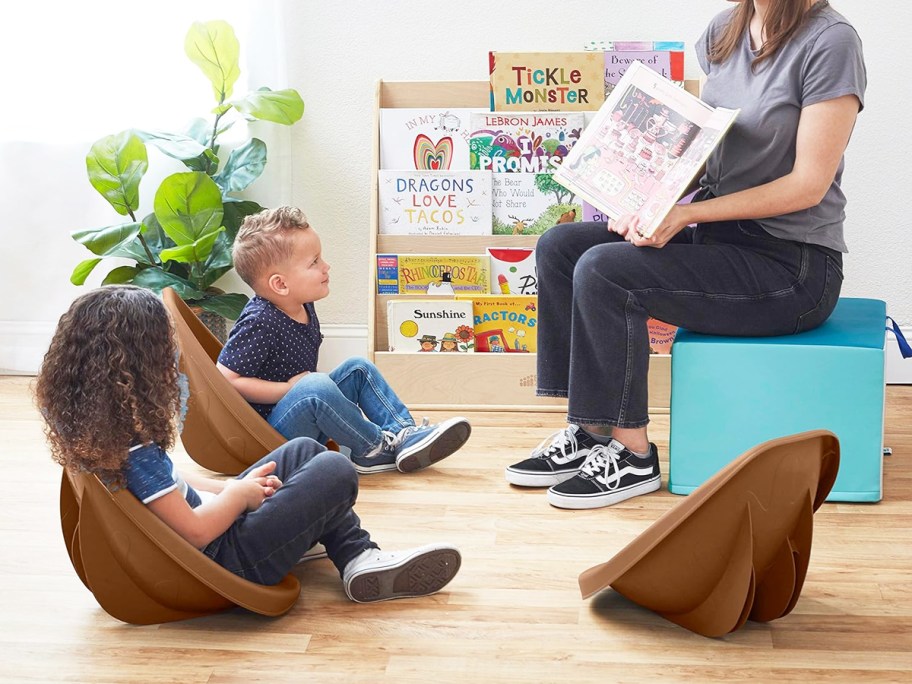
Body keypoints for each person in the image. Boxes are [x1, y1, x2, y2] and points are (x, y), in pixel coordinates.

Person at [505, 0, 865, 510]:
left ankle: (632, 456)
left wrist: (688, 215)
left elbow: (807, 186)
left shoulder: (831, 42)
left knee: (608, 271)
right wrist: (649, 197)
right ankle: (590, 431)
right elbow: (708, 146)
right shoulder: (726, 28)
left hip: (792, 266)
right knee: (561, 247)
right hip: (720, 238)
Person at [35, 285, 461, 603]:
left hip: (218, 528)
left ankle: (339, 546)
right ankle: (357, 555)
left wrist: (229, 488)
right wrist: (239, 495)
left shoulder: (102, 436)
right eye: (168, 354)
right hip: (228, 559)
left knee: (305, 453)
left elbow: (168, 492)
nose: (175, 363)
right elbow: (199, 533)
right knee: (335, 469)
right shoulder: (133, 452)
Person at [216, 206, 471, 474]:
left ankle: (403, 434)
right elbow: (226, 379)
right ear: (280, 285)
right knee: (315, 385)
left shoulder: (303, 304)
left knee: (358, 368)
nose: (326, 266)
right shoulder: (259, 322)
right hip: (272, 436)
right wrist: (287, 389)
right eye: (314, 262)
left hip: (301, 412)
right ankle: (372, 448)